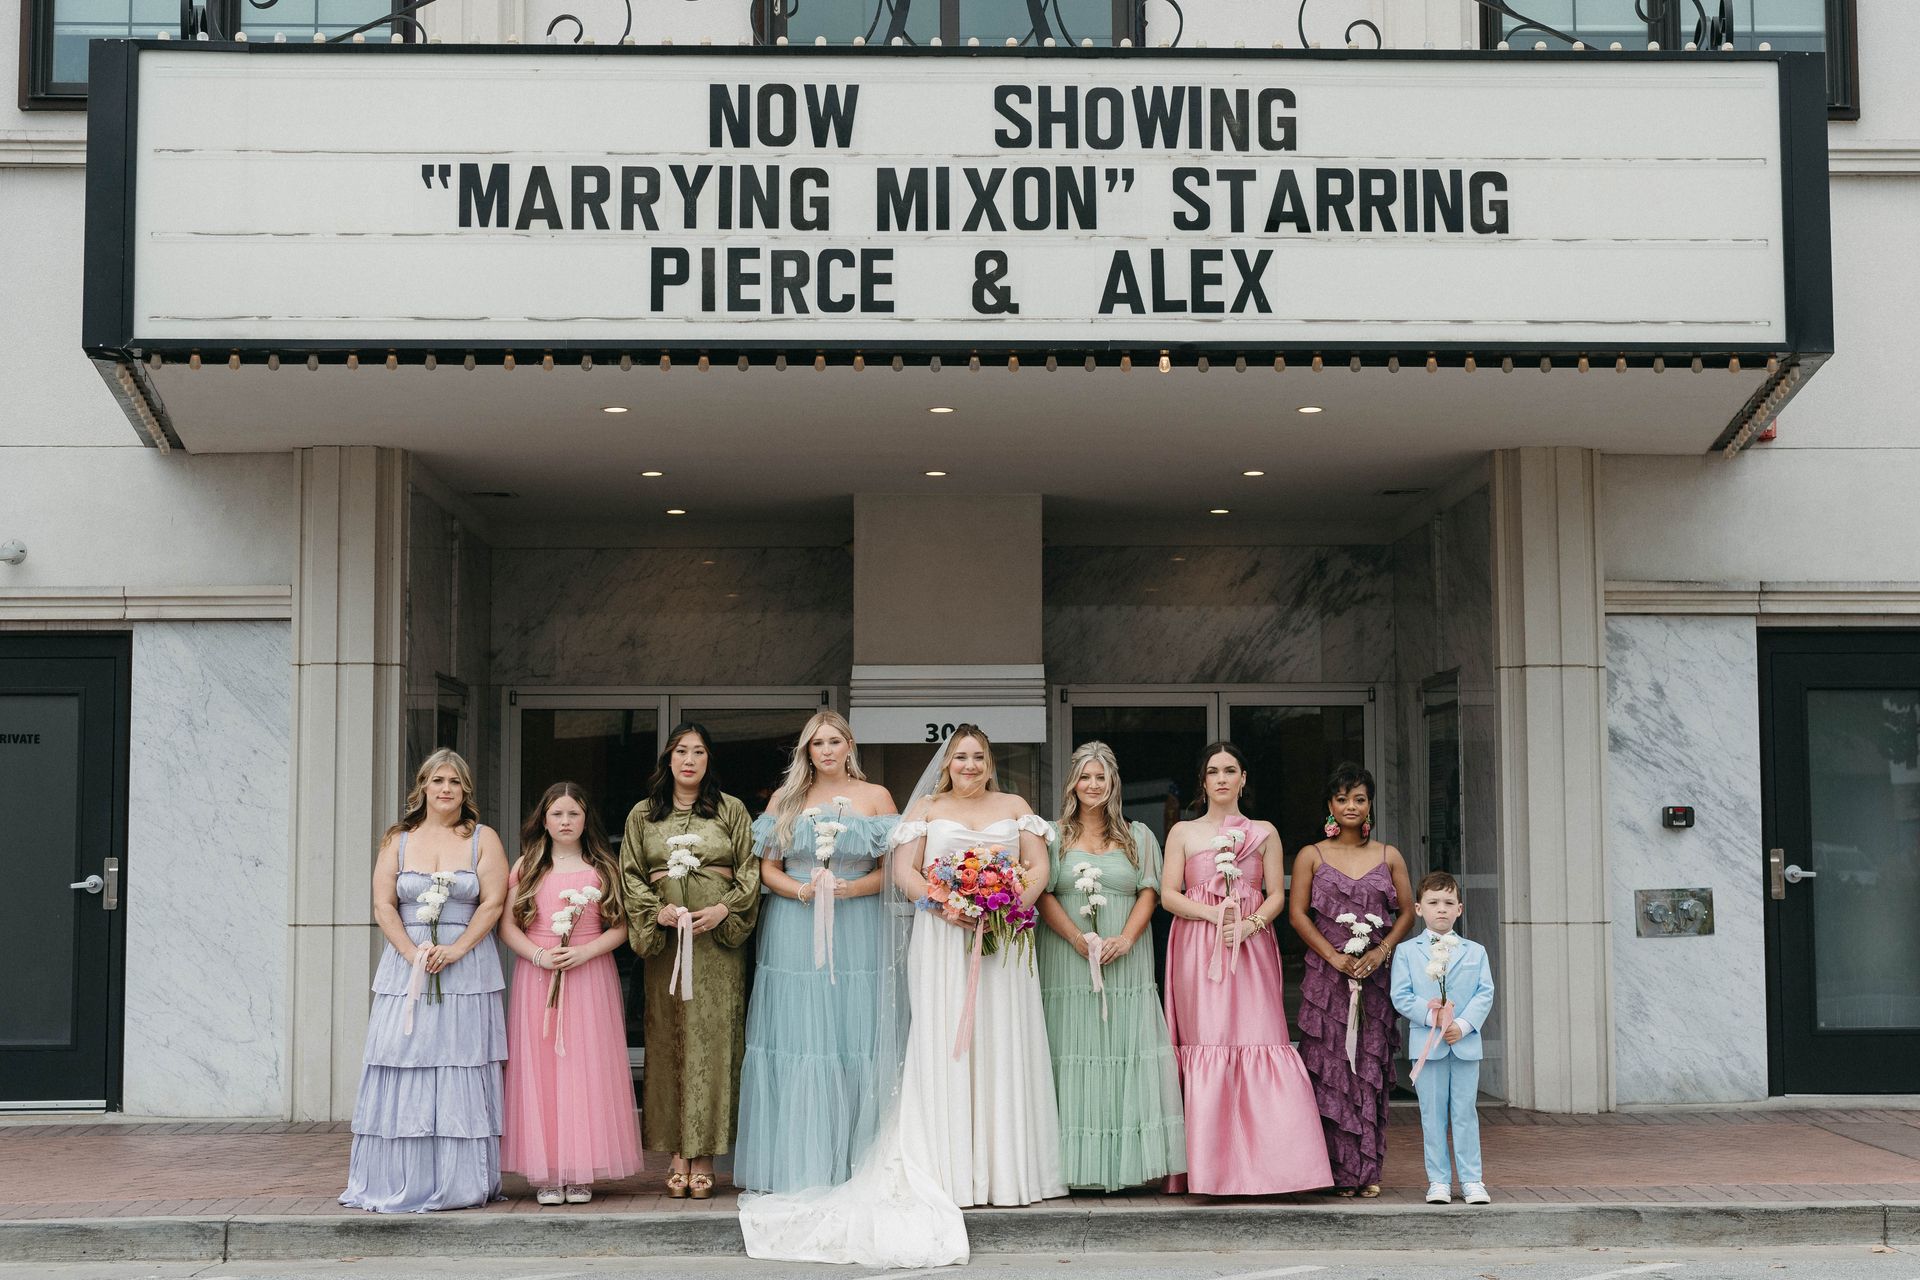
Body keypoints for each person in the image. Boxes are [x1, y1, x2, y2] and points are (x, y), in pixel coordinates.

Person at [739, 725, 1064, 1267]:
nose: (969, 763)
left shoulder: (1015, 804)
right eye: (960, 756)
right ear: (947, 764)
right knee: (940, 1043)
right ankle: (951, 1165)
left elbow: (1039, 867)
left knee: (1005, 1043)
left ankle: (1010, 1167)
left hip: (1003, 936)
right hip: (942, 935)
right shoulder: (926, 807)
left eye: (978, 756)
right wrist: (947, 904)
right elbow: (908, 874)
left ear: (990, 762)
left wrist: (1009, 904)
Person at [734, 711, 898, 1193]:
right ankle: (800, 1158)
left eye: (833, 742)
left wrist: (852, 888)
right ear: (806, 751)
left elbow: (893, 870)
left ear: (849, 745)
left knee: (853, 1031)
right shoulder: (787, 798)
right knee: (802, 1036)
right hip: (795, 922)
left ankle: (856, 1158)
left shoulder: (876, 797)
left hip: (857, 921)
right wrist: (801, 891)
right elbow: (768, 869)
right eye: (816, 744)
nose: (825, 751)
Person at [341, 748, 509, 1213]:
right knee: (405, 1056)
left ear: (465, 790)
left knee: (459, 1060)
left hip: (466, 965)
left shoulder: (483, 839)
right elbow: (383, 905)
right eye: (438, 781)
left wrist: (456, 949)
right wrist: (412, 951)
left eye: (455, 781)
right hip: (407, 963)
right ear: (423, 787)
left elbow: (493, 903)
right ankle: (398, 1175)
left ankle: (461, 1180)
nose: (446, 789)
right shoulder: (397, 840)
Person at [1160, 740, 1331, 1196]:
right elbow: (1168, 895)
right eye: (1213, 771)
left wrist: (1250, 923)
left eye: (1229, 770)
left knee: (1260, 1036)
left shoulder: (1266, 831)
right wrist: (1215, 916)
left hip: (1251, 947)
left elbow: (1278, 894)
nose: (1221, 778)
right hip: (1198, 946)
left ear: (1243, 779)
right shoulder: (1182, 832)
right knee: (1208, 1039)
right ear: (1203, 780)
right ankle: (1210, 1169)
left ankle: (1277, 1167)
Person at [619, 722, 761, 1200]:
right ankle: (676, 1153)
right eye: (682, 751)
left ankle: (706, 1156)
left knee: (716, 1041)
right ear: (668, 758)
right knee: (668, 1038)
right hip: (667, 946)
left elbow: (750, 871)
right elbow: (631, 874)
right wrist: (656, 911)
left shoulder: (731, 810)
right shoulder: (643, 814)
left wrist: (724, 908)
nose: (690, 760)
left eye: (699, 752)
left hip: (719, 945)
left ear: (708, 761)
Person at [1036, 740, 1186, 1192]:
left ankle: (1127, 1165)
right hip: (1067, 957)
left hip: (1126, 958)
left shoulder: (1139, 835)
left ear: (1113, 783)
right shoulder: (1051, 835)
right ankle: (1070, 1168)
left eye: (1101, 777)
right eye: (1085, 776)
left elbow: (1149, 891)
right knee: (1072, 1050)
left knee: (1124, 1051)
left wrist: (1126, 938)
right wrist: (1078, 939)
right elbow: (1041, 894)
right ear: (1073, 782)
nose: (1093, 785)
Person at [499, 782, 641, 1205]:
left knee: (585, 1067)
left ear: (585, 819)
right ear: (543, 819)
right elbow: (507, 926)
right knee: (541, 1070)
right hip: (538, 976)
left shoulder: (602, 866)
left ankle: (580, 1172)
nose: (565, 822)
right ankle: (547, 1173)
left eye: (573, 814)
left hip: (589, 975)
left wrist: (583, 952)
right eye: (557, 814)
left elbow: (622, 927)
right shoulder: (527, 866)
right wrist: (540, 955)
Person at [1289, 763, 1417, 1197]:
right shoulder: (1311, 855)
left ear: (1369, 806)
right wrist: (1334, 958)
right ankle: (1336, 1171)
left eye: (1358, 799)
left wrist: (1381, 952)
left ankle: (1368, 1170)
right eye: (1342, 799)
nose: (1350, 806)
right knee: (1330, 1069)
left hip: (1374, 979)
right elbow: (1297, 915)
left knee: (1369, 1068)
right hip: (1327, 982)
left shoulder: (1389, 855)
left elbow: (1407, 912)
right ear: (1329, 805)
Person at [1391, 871, 1496, 1206]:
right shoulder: (1408, 951)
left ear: (1460, 909)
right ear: (1418, 908)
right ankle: (1438, 1180)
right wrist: (1432, 1015)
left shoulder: (1475, 951)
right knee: (1431, 1114)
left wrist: (1463, 1025)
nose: (1441, 909)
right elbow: (1402, 995)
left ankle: (1472, 1180)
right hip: (1428, 1044)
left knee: (1465, 1112)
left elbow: (1485, 993)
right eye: (1433, 902)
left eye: (1448, 903)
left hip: (1463, 1044)